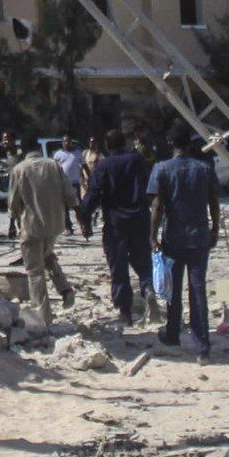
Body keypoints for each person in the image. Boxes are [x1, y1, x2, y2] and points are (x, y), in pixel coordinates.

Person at [148, 132, 221, 362]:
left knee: (173, 289)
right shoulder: (205, 168)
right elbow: (214, 201)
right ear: (190, 145)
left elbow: (158, 206)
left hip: (174, 236)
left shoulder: (161, 169)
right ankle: (202, 347)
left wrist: (152, 236)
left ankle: (172, 334)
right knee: (198, 289)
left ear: (171, 144)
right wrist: (215, 228)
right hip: (199, 236)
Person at [84, 130, 156, 324]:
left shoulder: (103, 166)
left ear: (107, 146)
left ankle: (125, 312)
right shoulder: (138, 161)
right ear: (124, 143)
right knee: (142, 259)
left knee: (119, 266)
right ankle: (148, 287)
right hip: (140, 218)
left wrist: (85, 218)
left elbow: (93, 194)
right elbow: (152, 187)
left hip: (116, 223)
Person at [6, 148, 76, 326]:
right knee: (47, 255)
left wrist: (14, 219)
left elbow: (13, 202)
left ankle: (42, 317)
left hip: (31, 225)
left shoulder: (20, 169)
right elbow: (69, 194)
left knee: (35, 271)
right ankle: (65, 289)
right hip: (54, 224)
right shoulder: (54, 165)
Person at [53, 137, 85, 222]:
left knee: (77, 204)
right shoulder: (58, 154)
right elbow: (54, 168)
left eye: (69, 141)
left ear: (71, 142)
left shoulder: (77, 153)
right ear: (62, 143)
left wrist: (89, 177)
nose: (67, 143)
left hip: (75, 183)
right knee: (64, 206)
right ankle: (68, 226)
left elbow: (84, 166)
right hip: (63, 183)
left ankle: (82, 223)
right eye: (65, 141)